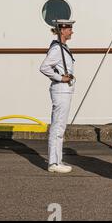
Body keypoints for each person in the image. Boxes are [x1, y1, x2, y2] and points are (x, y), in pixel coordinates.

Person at [40, 19, 76, 173]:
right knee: (58, 127)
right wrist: (60, 78)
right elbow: (44, 67)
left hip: (64, 90)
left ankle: (57, 160)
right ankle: (54, 163)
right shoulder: (57, 49)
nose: (71, 31)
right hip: (61, 90)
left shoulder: (62, 47)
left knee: (60, 126)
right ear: (62, 30)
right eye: (69, 28)